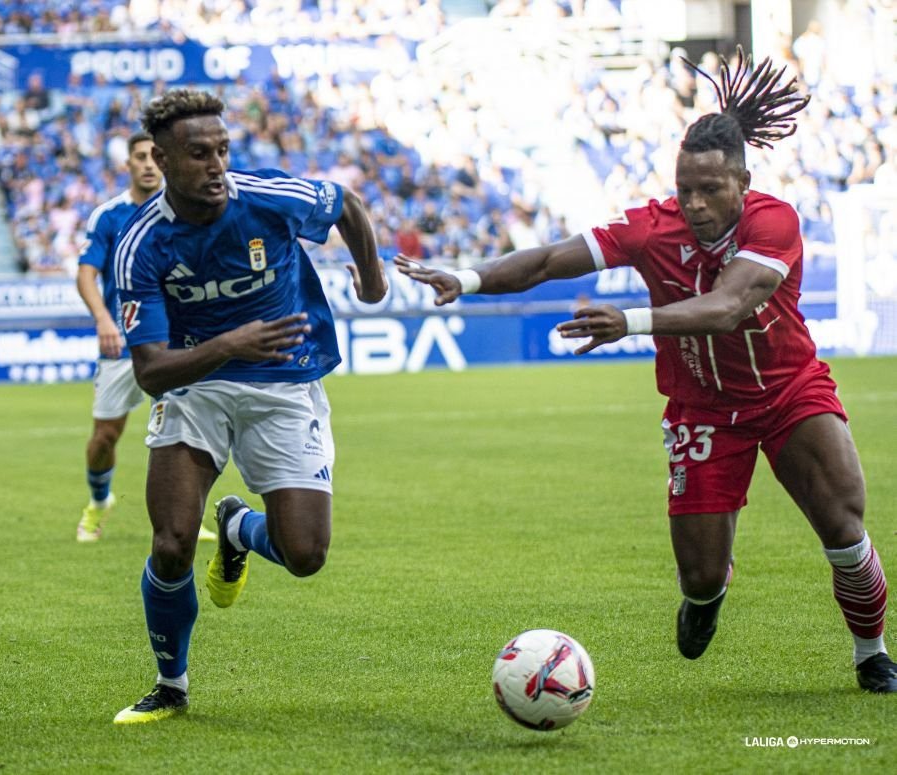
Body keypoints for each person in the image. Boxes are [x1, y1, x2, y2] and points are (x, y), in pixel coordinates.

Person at [395, 47, 896, 693]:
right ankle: (709, 594)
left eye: (710, 189)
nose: (694, 203)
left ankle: (871, 654)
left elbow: (728, 305)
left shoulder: (775, 221)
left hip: (788, 392)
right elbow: (550, 260)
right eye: (685, 188)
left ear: (743, 183)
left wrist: (629, 321)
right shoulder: (651, 227)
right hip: (704, 410)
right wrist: (464, 277)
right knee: (700, 575)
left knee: (843, 524)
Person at [111, 89, 387, 724]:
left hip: (284, 382)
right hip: (193, 388)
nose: (215, 166)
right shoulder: (142, 245)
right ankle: (171, 684)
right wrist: (229, 343)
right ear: (162, 158)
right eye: (198, 154)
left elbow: (344, 203)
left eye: (222, 150)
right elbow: (151, 372)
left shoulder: (267, 198)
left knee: (306, 556)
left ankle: (238, 528)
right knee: (173, 540)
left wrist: (372, 280)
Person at [76, 131, 207, 541]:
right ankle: (99, 502)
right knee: (105, 437)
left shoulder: (186, 213)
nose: (148, 164)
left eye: (155, 156)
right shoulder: (109, 216)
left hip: (175, 340)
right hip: (124, 342)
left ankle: (186, 516)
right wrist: (103, 319)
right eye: (140, 157)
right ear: (127, 164)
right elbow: (85, 274)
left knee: (186, 432)